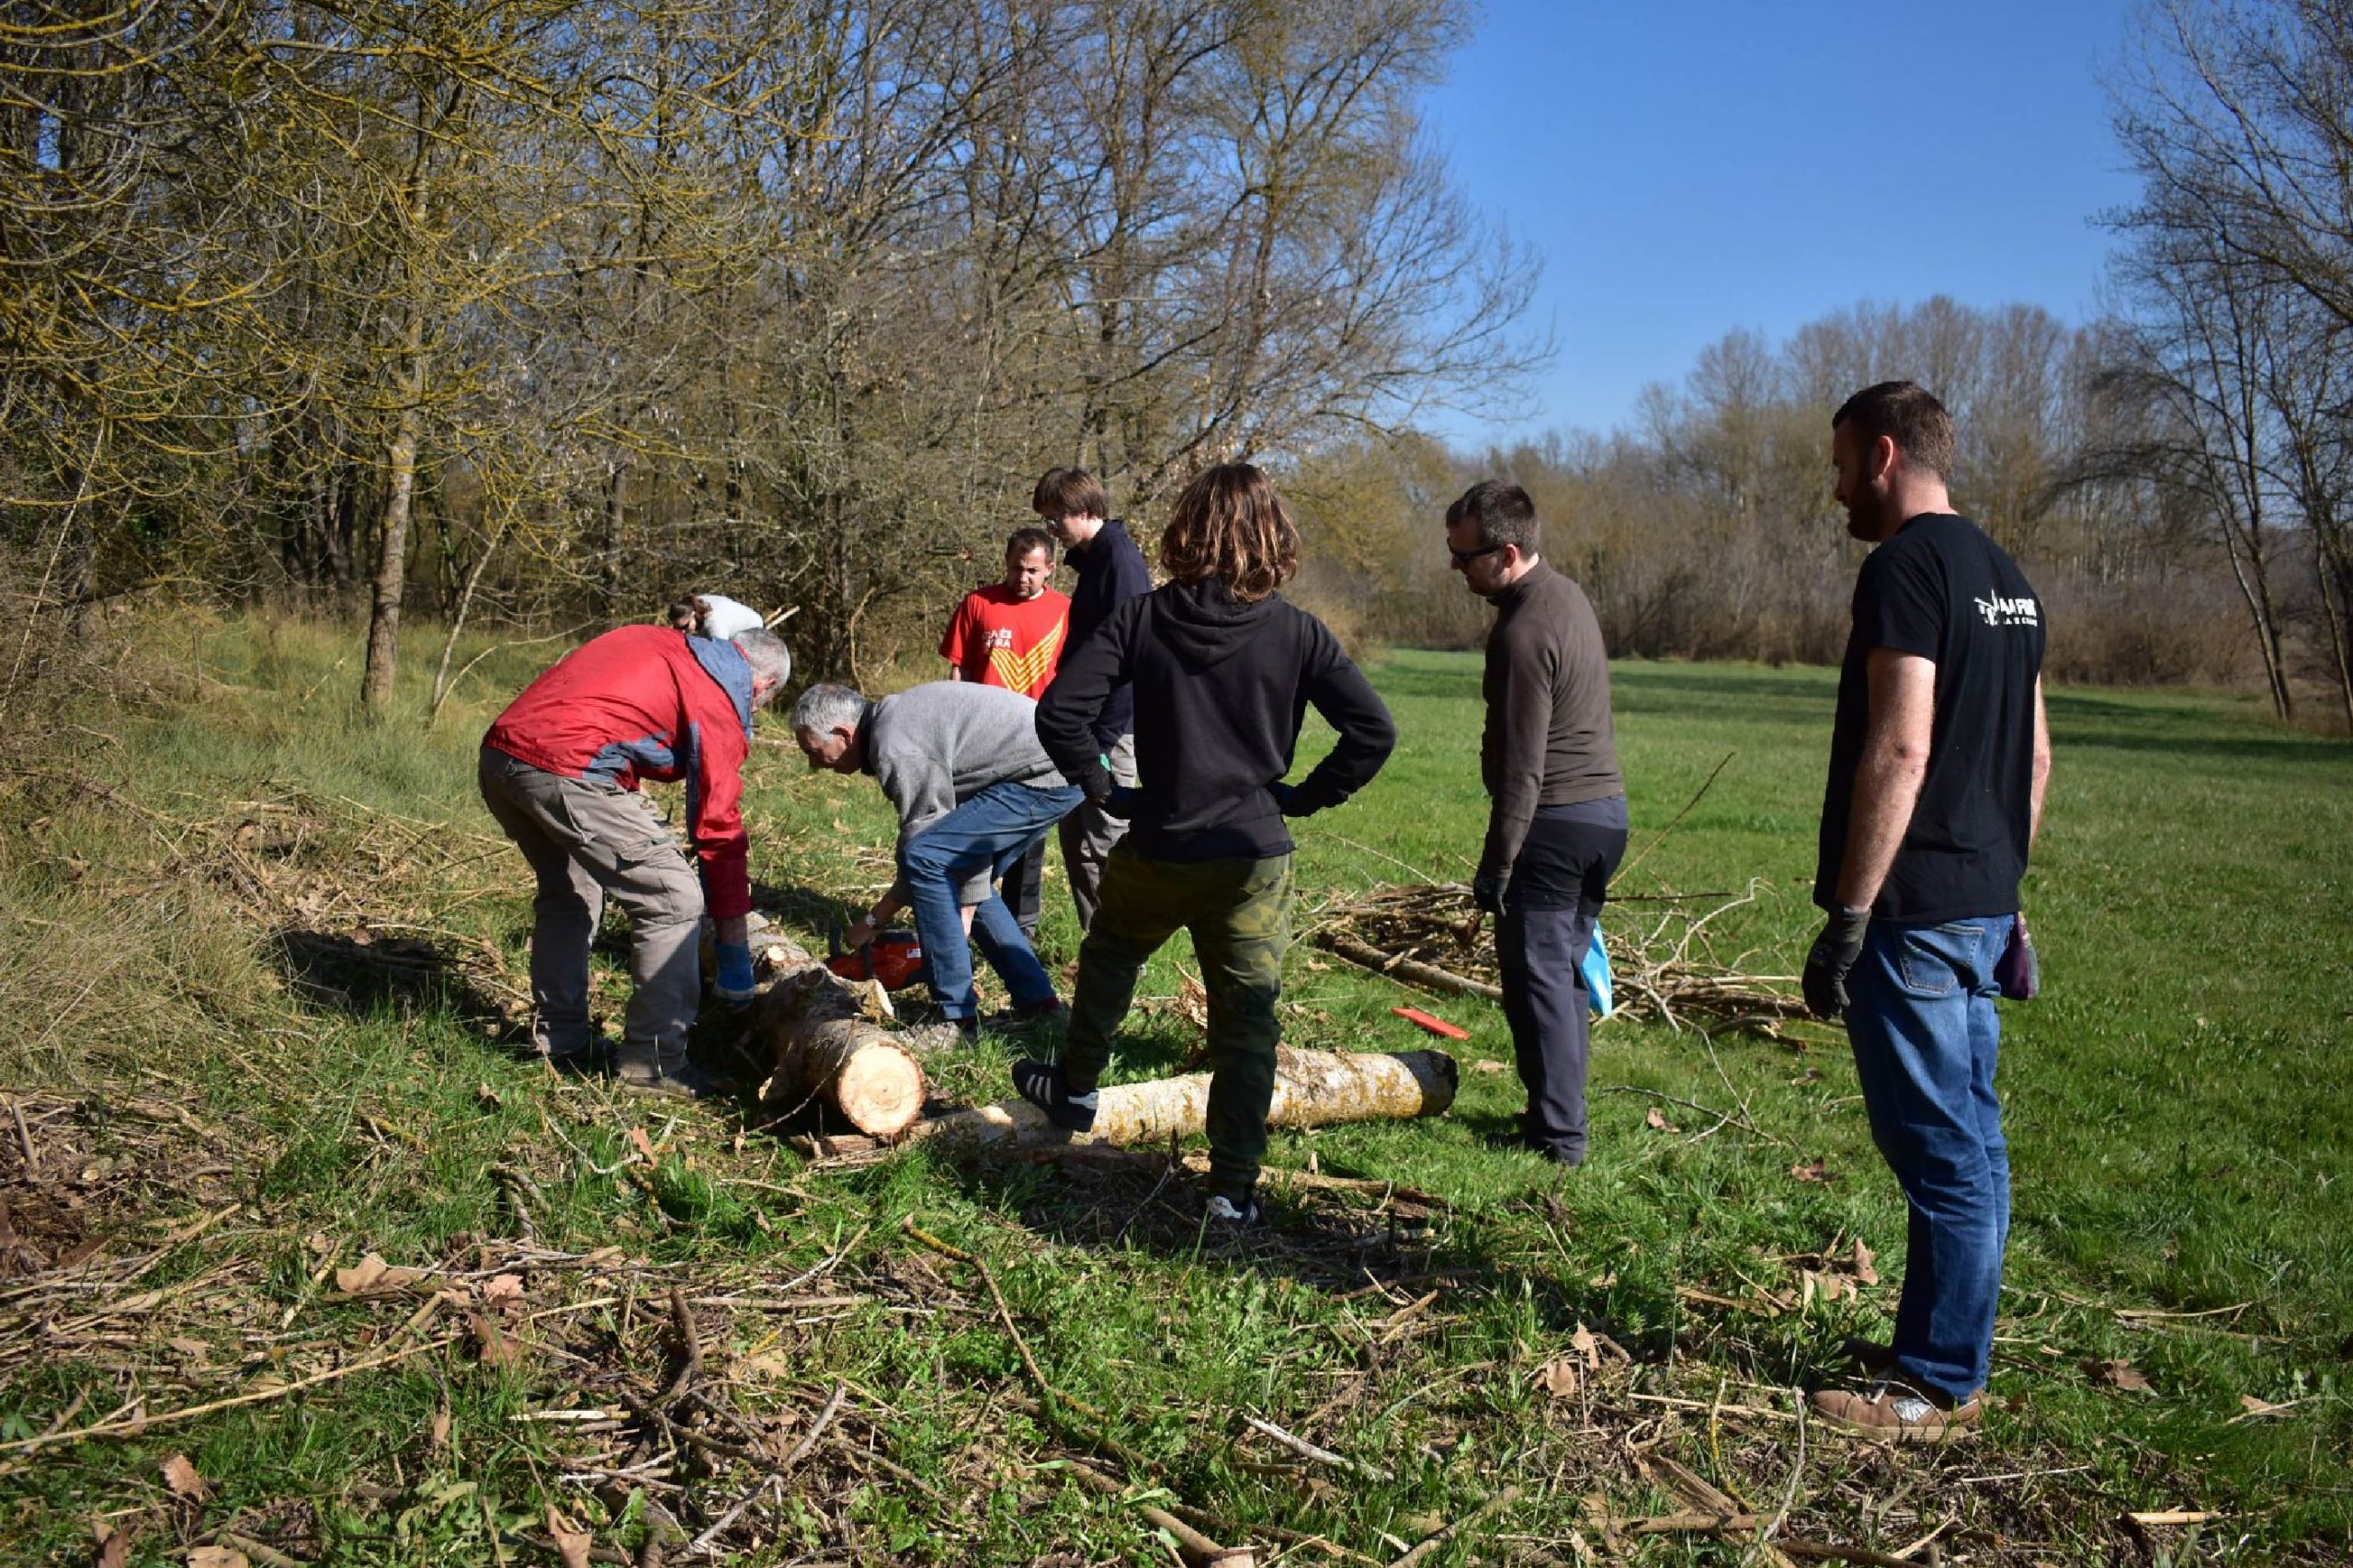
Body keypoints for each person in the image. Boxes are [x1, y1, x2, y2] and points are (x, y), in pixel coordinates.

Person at [1017, 462, 1395, 1222]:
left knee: (1111, 958)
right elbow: (1372, 732)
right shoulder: (1297, 631)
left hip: (1158, 841)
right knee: (1247, 1019)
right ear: (1275, 538)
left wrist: (1100, 788)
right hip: (1251, 857)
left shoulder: (1144, 618)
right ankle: (1231, 1187)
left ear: (1186, 530)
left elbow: (1059, 713)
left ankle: (1079, 1088)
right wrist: (1302, 797)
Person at [1802, 381, 2051, 1443]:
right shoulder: (2007, 578)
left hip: (1912, 912)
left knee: (1941, 1149)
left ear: (1886, 454)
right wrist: (2007, 891)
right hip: (1979, 903)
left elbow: (1902, 746)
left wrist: (1850, 913)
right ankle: (1942, 1347)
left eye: (1842, 461)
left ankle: (1935, 1384)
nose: (1837, 486)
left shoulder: (1901, 568)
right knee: (1972, 1142)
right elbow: (2034, 754)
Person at [480, 617, 791, 1096]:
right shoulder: (721, 694)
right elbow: (718, 827)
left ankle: (561, 1041)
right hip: (566, 768)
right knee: (673, 899)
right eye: (763, 703)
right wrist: (733, 954)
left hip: (502, 758)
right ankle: (654, 1063)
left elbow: (608, 720)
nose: (755, 710)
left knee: (572, 894)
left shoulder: (657, 642)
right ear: (763, 684)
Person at [1445, 481, 1628, 1167]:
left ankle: (1560, 1139)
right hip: (1603, 817)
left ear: (1509, 551)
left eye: (1465, 558)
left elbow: (1524, 767)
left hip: (1554, 822)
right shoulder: (1566, 596)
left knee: (1538, 979)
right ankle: (1556, 1118)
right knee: (1564, 975)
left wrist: (1498, 863)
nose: (1456, 569)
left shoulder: (1523, 632)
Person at [790, 680, 1082, 1039]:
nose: (814, 764)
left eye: (813, 750)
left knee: (929, 860)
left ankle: (955, 1021)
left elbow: (923, 851)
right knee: (958, 876)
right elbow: (949, 846)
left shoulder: (894, 746)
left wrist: (874, 919)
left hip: (1046, 775)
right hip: (1056, 770)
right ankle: (1040, 1005)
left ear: (843, 733)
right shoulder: (894, 725)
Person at [1033, 466, 1152, 929]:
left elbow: (1131, 657)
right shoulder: (1095, 558)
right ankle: (1098, 946)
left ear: (1082, 510)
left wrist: (1101, 740)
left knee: (1107, 841)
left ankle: (1126, 954)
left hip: (1113, 728)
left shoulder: (1120, 561)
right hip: (1086, 726)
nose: (1050, 529)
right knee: (1077, 843)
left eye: (1054, 518)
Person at [939, 528, 1072, 937]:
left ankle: (1020, 929)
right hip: (980, 741)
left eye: (1033, 570)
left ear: (1050, 568)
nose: (1023, 577)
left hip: (1037, 741)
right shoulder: (978, 603)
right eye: (1016, 568)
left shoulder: (1066, 611)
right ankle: (962, 917)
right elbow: (958, 668)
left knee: (1028, 842)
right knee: (974, 833)